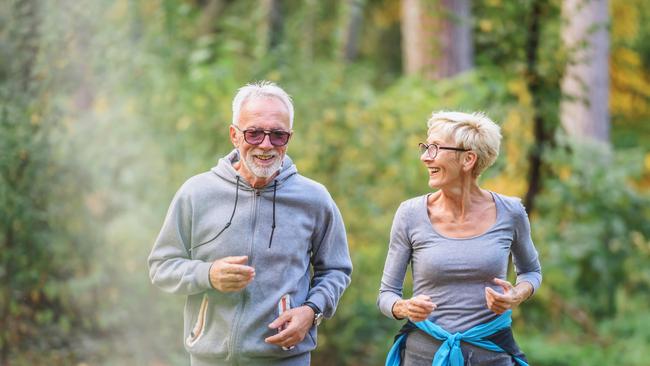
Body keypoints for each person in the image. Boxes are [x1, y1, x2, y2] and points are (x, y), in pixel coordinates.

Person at [148, 81, 352, 366]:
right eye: (254, 133)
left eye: (278, 135)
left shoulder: (314, 198)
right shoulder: (197, 193)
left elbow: (337, 269)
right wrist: (208, 274)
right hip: (209, 358)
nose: (266, 145)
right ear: (234, 135)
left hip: (285, 358)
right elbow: (161, 266)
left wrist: (312, 311)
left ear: (288, 138)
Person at [378, 111, 542, 366]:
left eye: (434, 148)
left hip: (492, 354)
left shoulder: (511, 212)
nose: (424, 157)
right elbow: (387, 294)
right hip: (422, 356)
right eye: (425, 147)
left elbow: (531, 272)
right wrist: (404, 307)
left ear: (468, 159)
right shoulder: (410, 214)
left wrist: (516, 295)